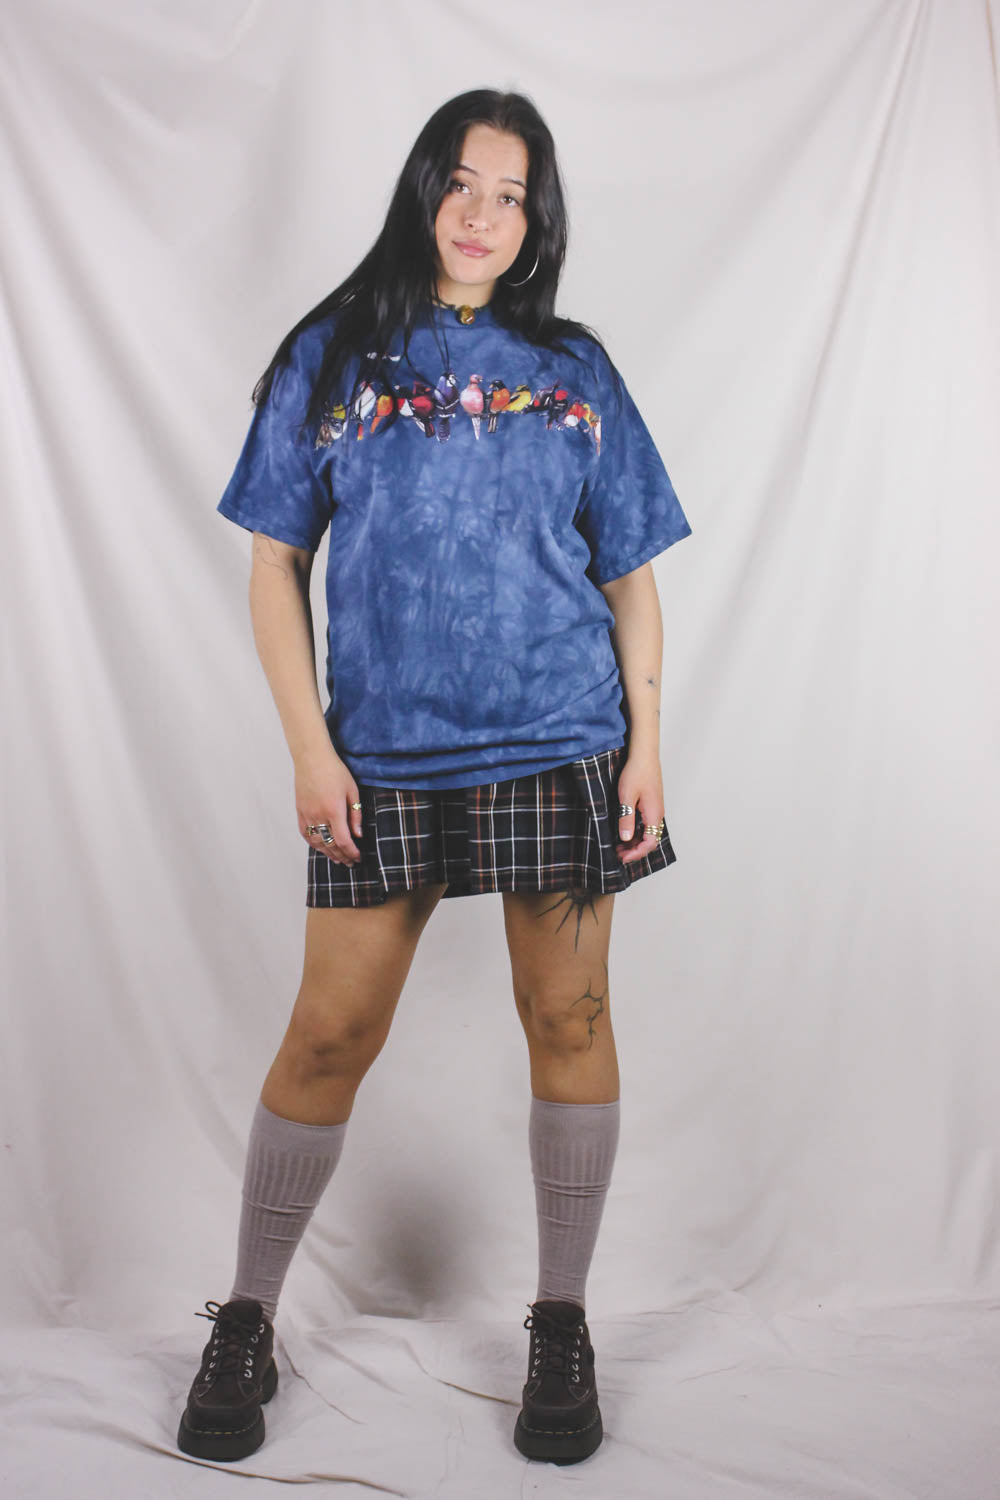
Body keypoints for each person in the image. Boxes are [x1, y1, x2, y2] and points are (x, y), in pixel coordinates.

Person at [176, 87, 691, 1469]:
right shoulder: (334, 355)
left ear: (536, 225)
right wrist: (309, 748)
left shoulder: (573, 369)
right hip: (383, 760)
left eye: (511, 195)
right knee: (328, 1034)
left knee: (569, 1016)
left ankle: (562, 1325)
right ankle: (246, 1317)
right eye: (463, 182)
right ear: (424, 190)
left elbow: (632, 579)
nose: (482, 213)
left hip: (562, 741)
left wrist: (646, 746)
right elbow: (273, 564)